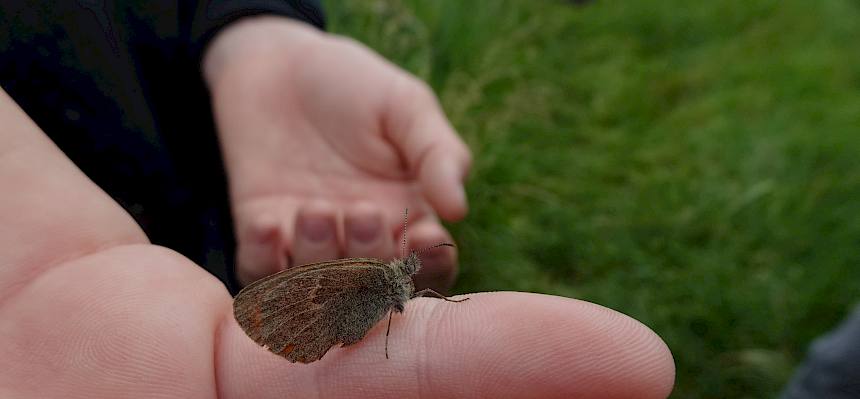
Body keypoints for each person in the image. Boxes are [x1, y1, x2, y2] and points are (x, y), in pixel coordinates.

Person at [0, 2, 674, 397]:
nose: (408, 266)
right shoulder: (375, 278)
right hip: (121, 303)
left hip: (208, 215)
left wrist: (254, 28)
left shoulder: (387, 277)